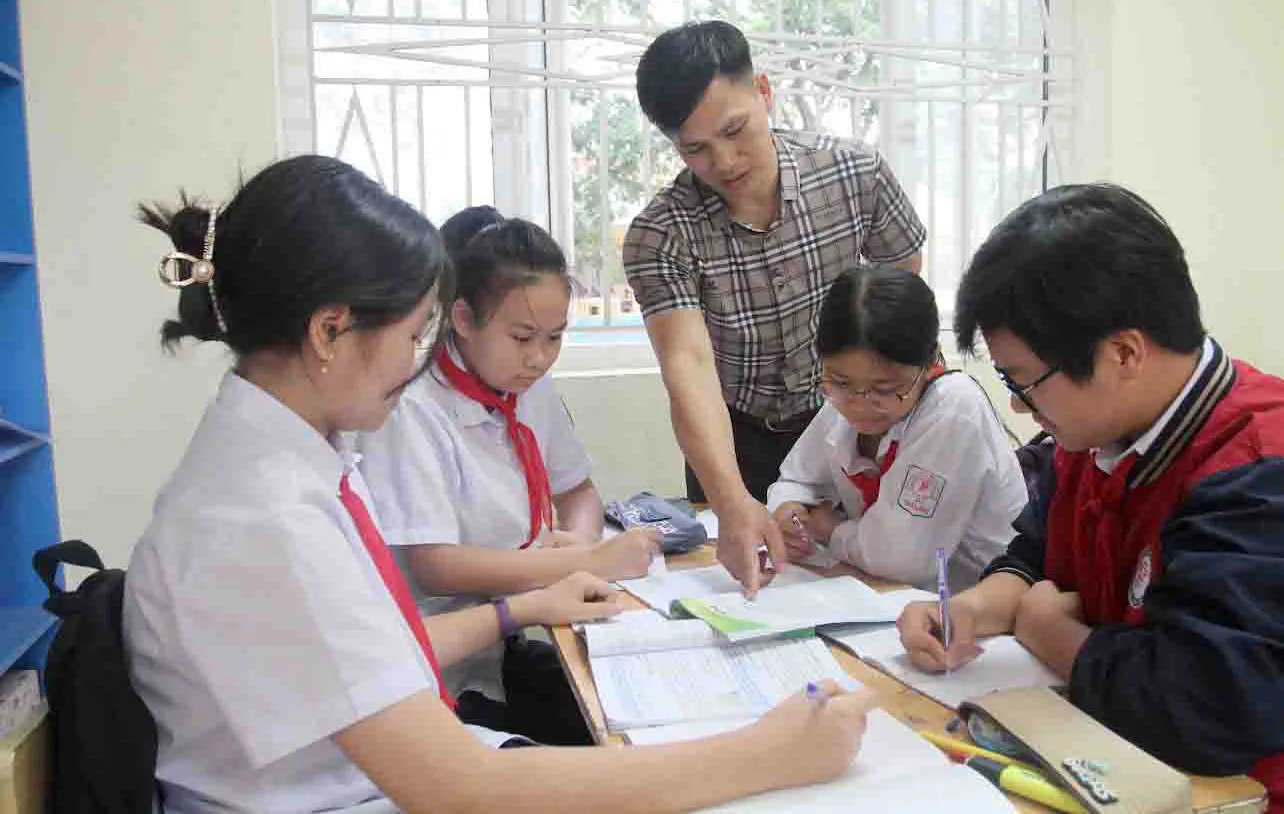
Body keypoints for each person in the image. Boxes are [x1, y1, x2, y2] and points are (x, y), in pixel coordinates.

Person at [122, 155, 876, 813]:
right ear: (329, 331)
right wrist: (770, 754)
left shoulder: (283, 465)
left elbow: (380, 653)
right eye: (413, 333)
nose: (418, 360)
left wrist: (525, 604)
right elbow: (463, 790)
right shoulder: (266, 517)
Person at [896, 183, 1284, 809]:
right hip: (1108, 753)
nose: (1019, 407)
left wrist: (1053, 636)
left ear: (1123, 353)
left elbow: (1211, 712)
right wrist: (972, 609)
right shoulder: (1094, 433)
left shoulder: (1257, 471)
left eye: (1025, 382)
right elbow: (1037, 557)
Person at [624, 20, 927, 596]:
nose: (725, 161)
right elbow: (689, 367)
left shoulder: (855, 175)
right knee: (749, 593)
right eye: (696, 149)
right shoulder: (660, 234)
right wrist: (731, 500)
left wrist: (886, 425)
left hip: (850, 425)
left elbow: (904, 301)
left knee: (872, 586)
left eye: (734, 129)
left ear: (763, 91)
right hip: (736, 443)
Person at [358, 206, 659, 741]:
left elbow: (578, 491)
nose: (540, 358)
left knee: (632, 715)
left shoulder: (527, 386)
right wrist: (585, 560)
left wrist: (580, 541)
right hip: (441, 667)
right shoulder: (412, 408)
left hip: (510, 638)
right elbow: (435, 568)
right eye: (522, 337)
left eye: (555, 337)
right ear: (463, 318)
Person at [766, 264, 1026, 591]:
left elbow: (901, 561)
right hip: (885, 590)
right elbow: (796, 479)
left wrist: (829, 529)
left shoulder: (953, 408)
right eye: (840, 382)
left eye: (885, 389)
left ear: (930, 363)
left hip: (968, 600)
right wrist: (789, 510)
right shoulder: (845, 402)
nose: (860, 404)